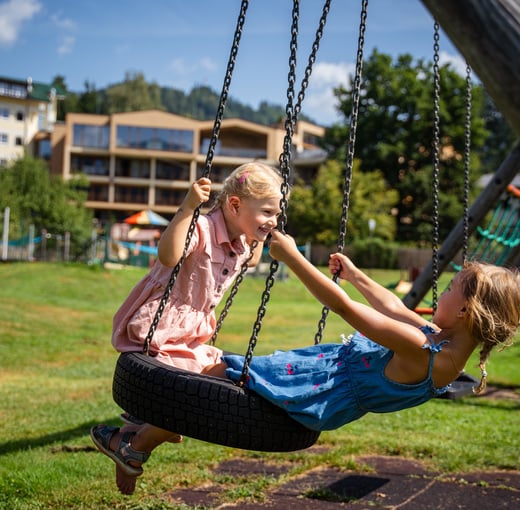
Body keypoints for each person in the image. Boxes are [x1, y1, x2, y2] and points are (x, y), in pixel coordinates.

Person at [90, 162, 284, 495]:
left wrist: (263, 231)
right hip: (160, 332)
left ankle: (128, 441)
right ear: (235, 205)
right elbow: (167, 256)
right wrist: (188, 207)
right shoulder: (201, 229)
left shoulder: (242, 244)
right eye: (267, 211)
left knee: (223, 384)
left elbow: (250, 259)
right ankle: (132, 443)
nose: (274, 220)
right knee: (187, 406)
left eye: (277, 213)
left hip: (191, 340)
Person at [204, 230, 520, 432]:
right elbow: (394, 309)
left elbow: (345, 308)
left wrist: (292, 257)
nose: (443, 293)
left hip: (319, 389)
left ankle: (158, 428)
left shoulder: (423, 349)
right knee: (220, 372)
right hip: (324, 378)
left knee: (219, 369)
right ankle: (158, 431)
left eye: (450, 289)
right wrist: (355, 276)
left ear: (465, 310)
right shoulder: (442, 345)